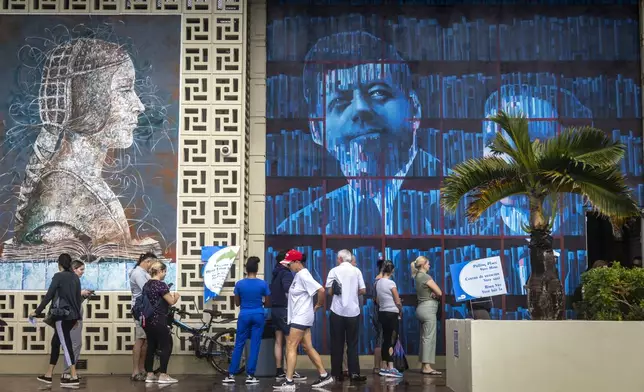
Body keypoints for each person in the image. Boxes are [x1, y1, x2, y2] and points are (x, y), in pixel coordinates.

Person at [276, 31, 439, 236]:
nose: (361, 108)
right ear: (316, 129)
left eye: (378, 93)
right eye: (340, 101)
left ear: (414, 108)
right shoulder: (296, 229)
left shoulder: (474, 206)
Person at [274, 249, 333, 390]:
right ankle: (324, 375)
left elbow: (321, 290)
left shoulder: (303, 275)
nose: (288, 266)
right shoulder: (298, 275)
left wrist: (319, 304)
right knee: (307, 347)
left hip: (301, 316)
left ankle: (289, 382)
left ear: (297, 262)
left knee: (291, 346)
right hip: (301, 316)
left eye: (289, 264)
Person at [31, 253, 82, 387]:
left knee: (65, 344)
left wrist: (37, 311)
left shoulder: (58, 276)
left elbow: (49, 296)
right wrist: (78, 317)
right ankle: (48, 374)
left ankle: (74, 376)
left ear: (59, 264)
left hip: (62, 316)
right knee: (56, 342)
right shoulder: (75, 278)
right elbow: (78, 299)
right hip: (72, 317)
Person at [223, 257, 271, 385]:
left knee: (239, 344)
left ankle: (231, 374)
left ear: (246, 269)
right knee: (255, 345)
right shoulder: (263, 284)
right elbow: (267, 303)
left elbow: (237, 303)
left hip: (244, 315)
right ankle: (250, 375)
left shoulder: (239, 284)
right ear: (257, 269)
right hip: (258, 315)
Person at [326, 249, 366, 382]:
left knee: (337, 343)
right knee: (352, 344)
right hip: (353, 312)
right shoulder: (357, 271)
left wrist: (337, 290)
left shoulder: (334, 270)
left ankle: (337, 374)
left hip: (337, 311)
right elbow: (363, 290)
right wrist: (352, 293)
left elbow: (330, 292)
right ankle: (354, 373)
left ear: (340, 259)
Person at [141, 260, 180, 384]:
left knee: (151, 346)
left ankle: (150, 374)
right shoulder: (161, 285)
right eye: (164, 271)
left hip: (147, 320)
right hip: (159, 319)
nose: (165, 274)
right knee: (166, 346)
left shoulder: (146, 285)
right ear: (160, 271)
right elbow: (171, 301)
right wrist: (176, 296)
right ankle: (163, 375)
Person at [270, 250, 306, 382]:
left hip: (275, 310)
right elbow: (288, 289)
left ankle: (279, 370)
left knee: (279, 342)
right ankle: (290, 372)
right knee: (291, 344)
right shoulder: (286, 274)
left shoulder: (275, 273)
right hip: (285, 310)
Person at [61, 260, 93, 381]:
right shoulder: (70, 282)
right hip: (72, 318)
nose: (83, 272)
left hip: (76, 317)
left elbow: (75, 301)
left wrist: (83, 296)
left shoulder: (74, 282)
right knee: (73, 345)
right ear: (74, 269)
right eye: (81, 269)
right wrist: (81, 293)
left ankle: (71, 371)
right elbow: (68, 298)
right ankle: (67, 372)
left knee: (76, 344)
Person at [411, 256, 442, 376]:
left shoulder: (417, 276)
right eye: (428, 263)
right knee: (429, 338)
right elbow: (439, 292)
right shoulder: (425, 276)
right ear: (423, 264)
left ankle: (424, 365)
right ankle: (427, 366)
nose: (430, 266)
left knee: (424, 338)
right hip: (428, 309)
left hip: (421, 308)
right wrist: (434, 294)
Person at [129, 252, 156, 381]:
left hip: (146, 310)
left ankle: (142, 369)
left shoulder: (143, 273)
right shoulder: (138, 273)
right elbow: (147, 290)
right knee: (140, 339)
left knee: (145, 340)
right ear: (148, 262)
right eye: (153, 264)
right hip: (140, 310)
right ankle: (135, 371)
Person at [375, 260, 403, 378]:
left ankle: (384, 367)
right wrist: (400, 309)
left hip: (382, 313)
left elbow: (377, 299)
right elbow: (397, 301)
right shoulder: (391, 283)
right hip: (392, 313)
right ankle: (391, 368)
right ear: (392, 271)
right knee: (392, 340)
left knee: (385, 340)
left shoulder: (378, 283)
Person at [372, 258, 385, 373]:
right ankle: (378, 367)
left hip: (377, 312)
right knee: (381, 339)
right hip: (381, 312)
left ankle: (378, 366)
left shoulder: (376, 280)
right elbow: (378, 299)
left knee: (379, 339)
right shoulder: (380, 281)